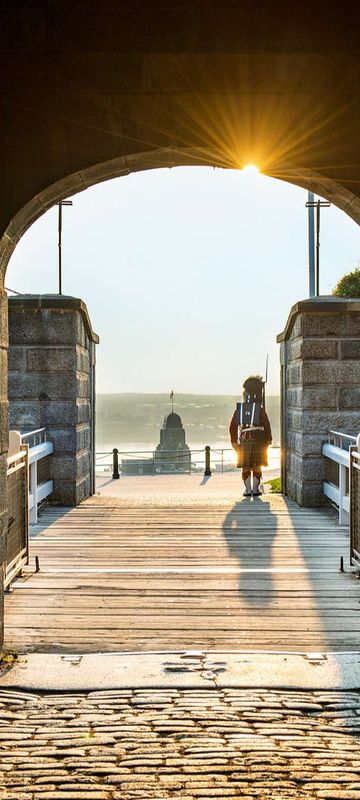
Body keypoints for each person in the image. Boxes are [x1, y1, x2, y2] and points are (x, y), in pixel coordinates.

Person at [229, 375, 272, 497]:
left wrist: (234, 442)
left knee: (246, 465)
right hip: (259, 439)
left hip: (244, 440)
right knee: (257, 465)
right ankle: (255, 489)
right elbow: (267, 425)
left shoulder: (240, 409)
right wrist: (268, 439)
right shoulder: (260, 409)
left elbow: (232, 426)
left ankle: (248, 490)